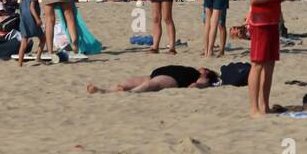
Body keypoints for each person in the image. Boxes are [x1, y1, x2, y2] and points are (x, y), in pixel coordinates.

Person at [247, 0, 295, 115]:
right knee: (258, 64)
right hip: (260, 23)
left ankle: (264, 106)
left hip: (271, 21)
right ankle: (254, 108)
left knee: (269, 65)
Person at [87, 66, 219, 93]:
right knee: (128, 82)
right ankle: (105, 90)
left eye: (204, 68)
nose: (201, 67)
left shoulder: (203, 77)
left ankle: (131, 93)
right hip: (157, 72)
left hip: (174, 79)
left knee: (152, 84)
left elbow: (197, 86)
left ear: (207, 72)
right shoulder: (193, 70)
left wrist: (198, 85)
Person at [16, 0, 47, 64]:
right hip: (32, 20)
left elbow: (21, 10)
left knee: (24, 42)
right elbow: (32, 8)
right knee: (43, 39)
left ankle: (20, 63)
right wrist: (38, 19)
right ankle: (38, 58)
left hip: (23, 21)